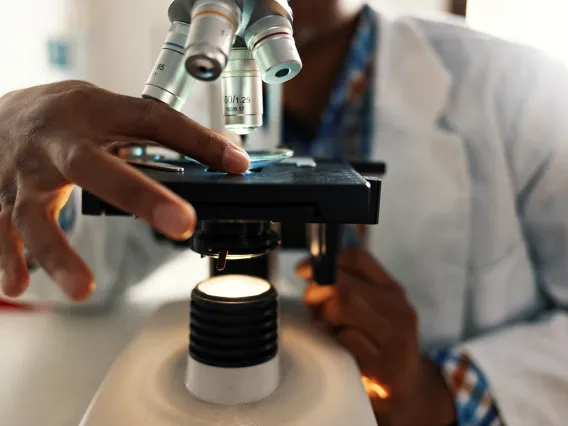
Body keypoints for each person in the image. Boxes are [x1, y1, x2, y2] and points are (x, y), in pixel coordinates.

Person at [1, 1, 568, 425]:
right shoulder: (200, 100)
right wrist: (12, 155)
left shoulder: (524, 91)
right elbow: (78, 270)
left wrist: (439, 391)